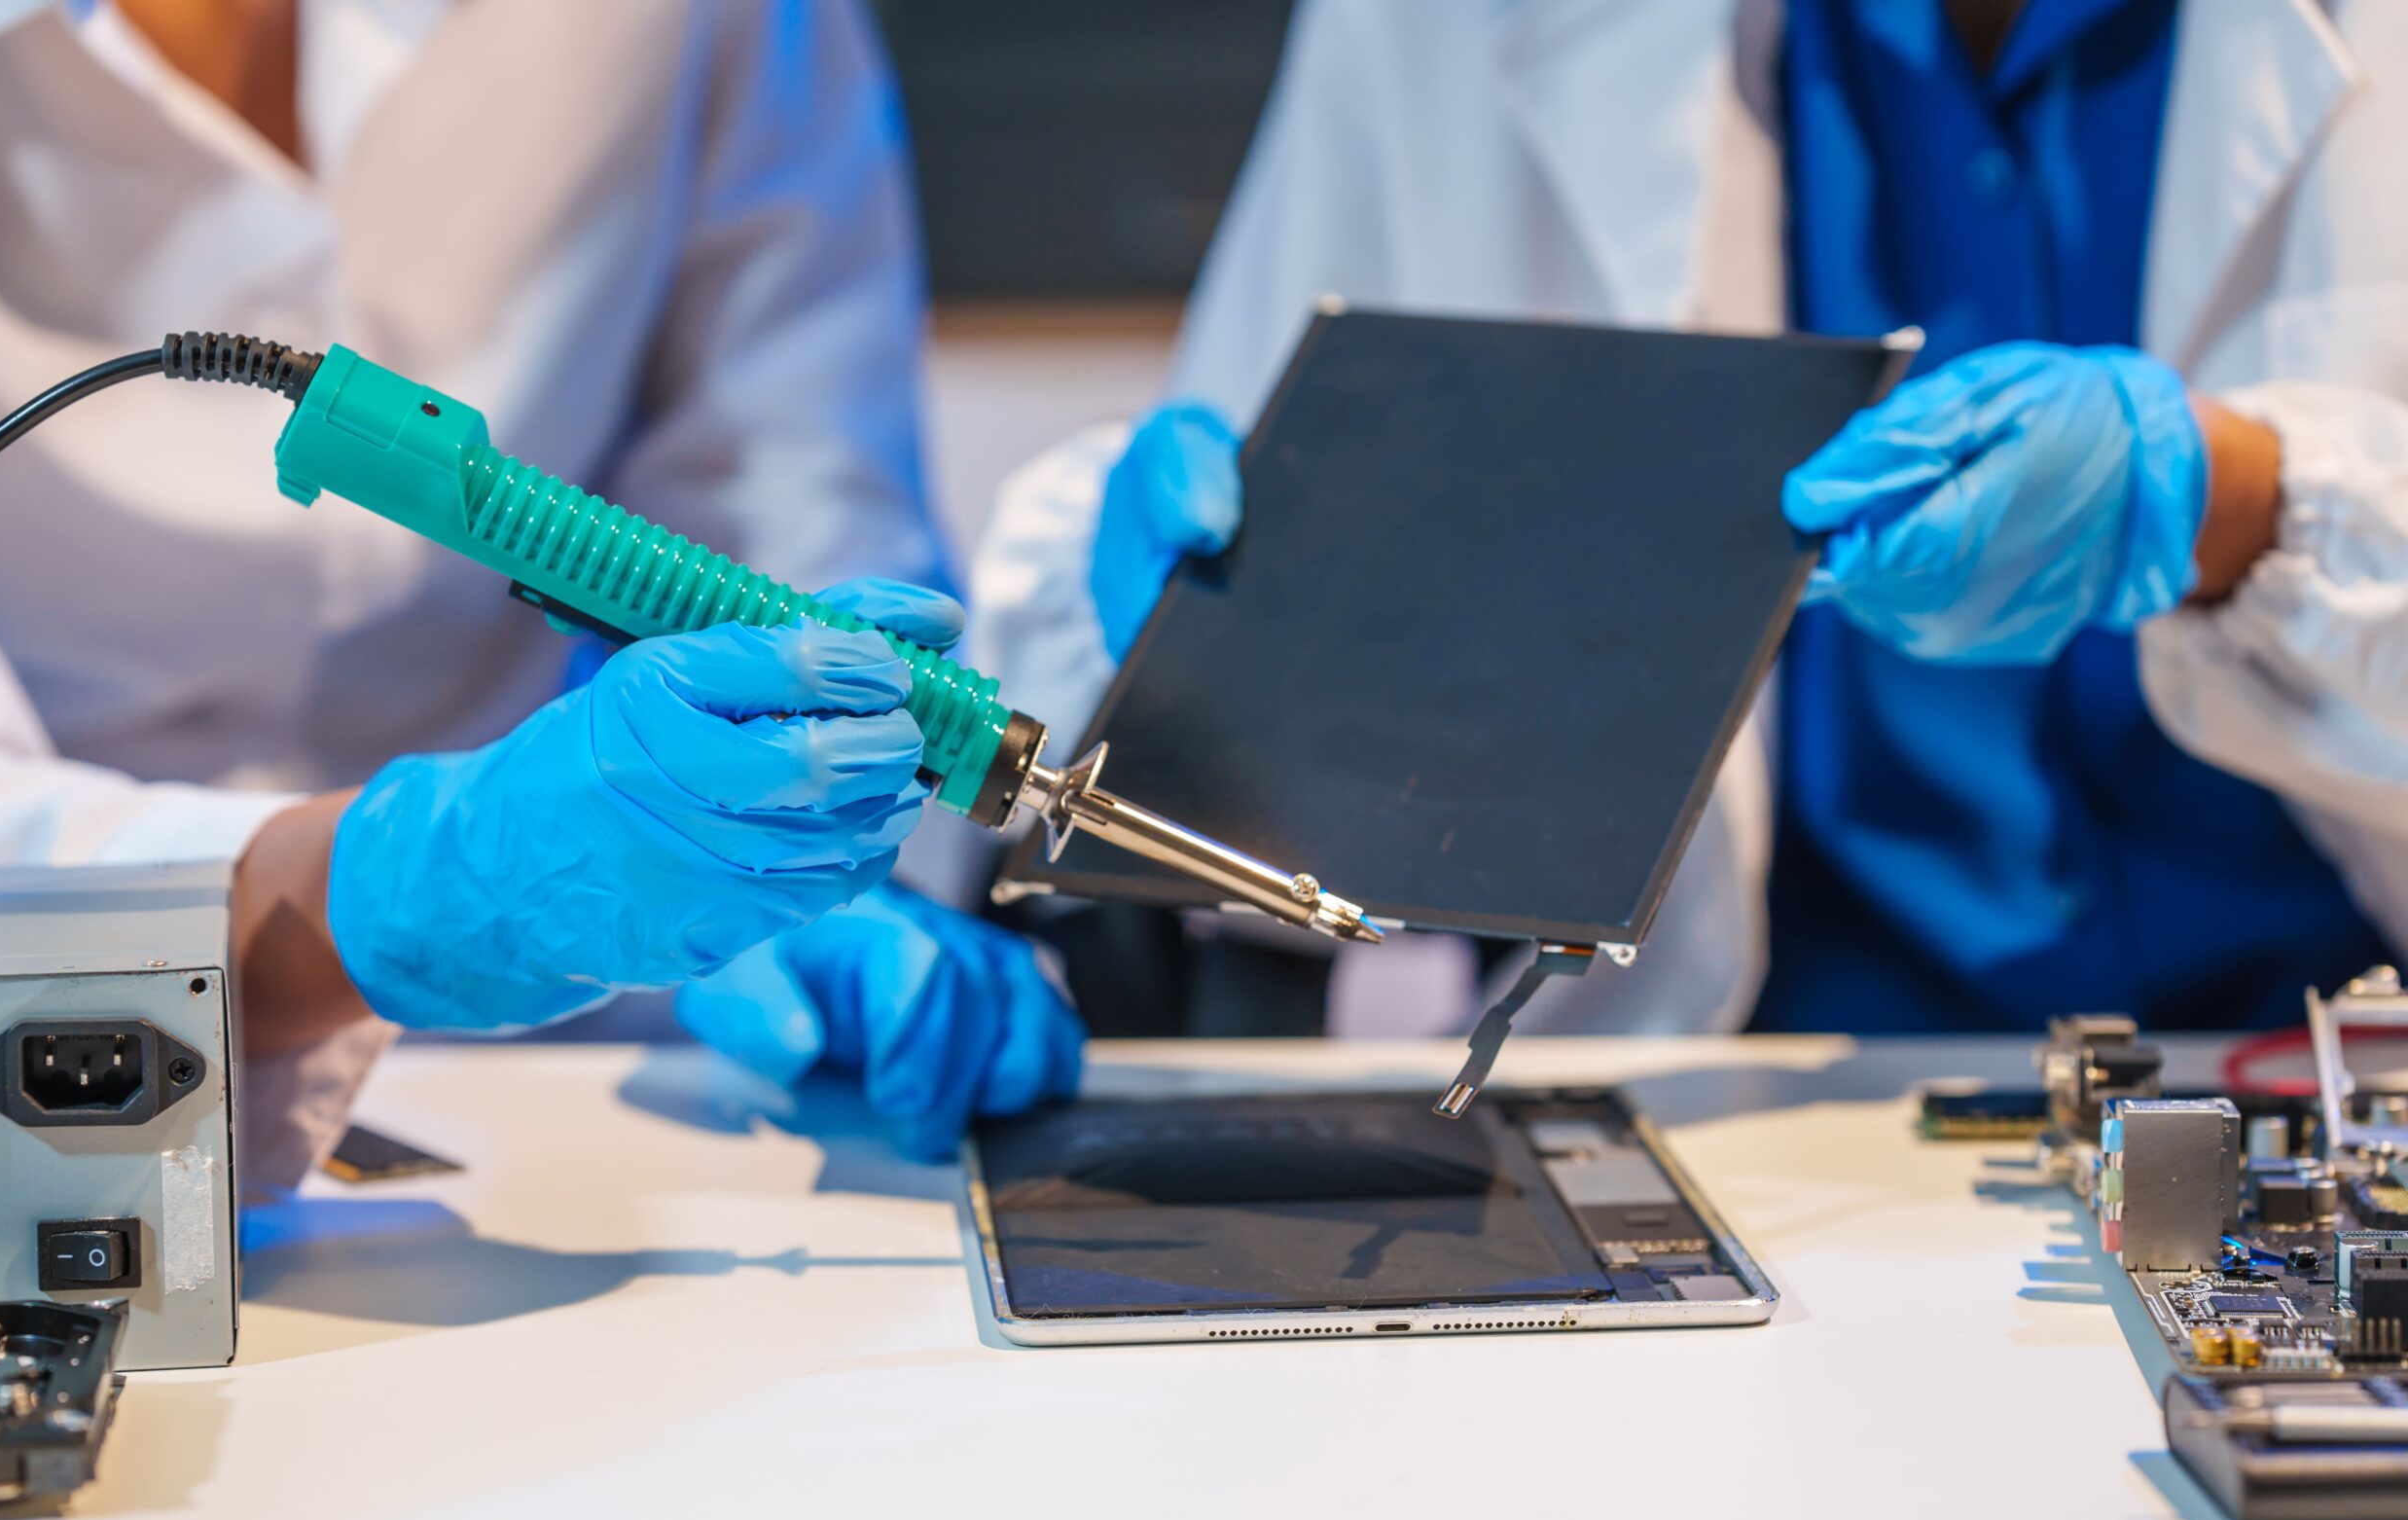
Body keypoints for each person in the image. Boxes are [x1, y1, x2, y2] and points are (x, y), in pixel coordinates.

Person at [969, 0, 2408, 1039]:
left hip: (2333, 1065)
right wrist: (1216, 649)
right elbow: (1221, 821)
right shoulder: (1435, 34)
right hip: (1758, 1093)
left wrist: (2244, 500)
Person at [0, 0, 1078, 1184]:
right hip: (44, 1096)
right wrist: (399, 887)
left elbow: (793, 494)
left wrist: (795, 850)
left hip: (615, 1057)